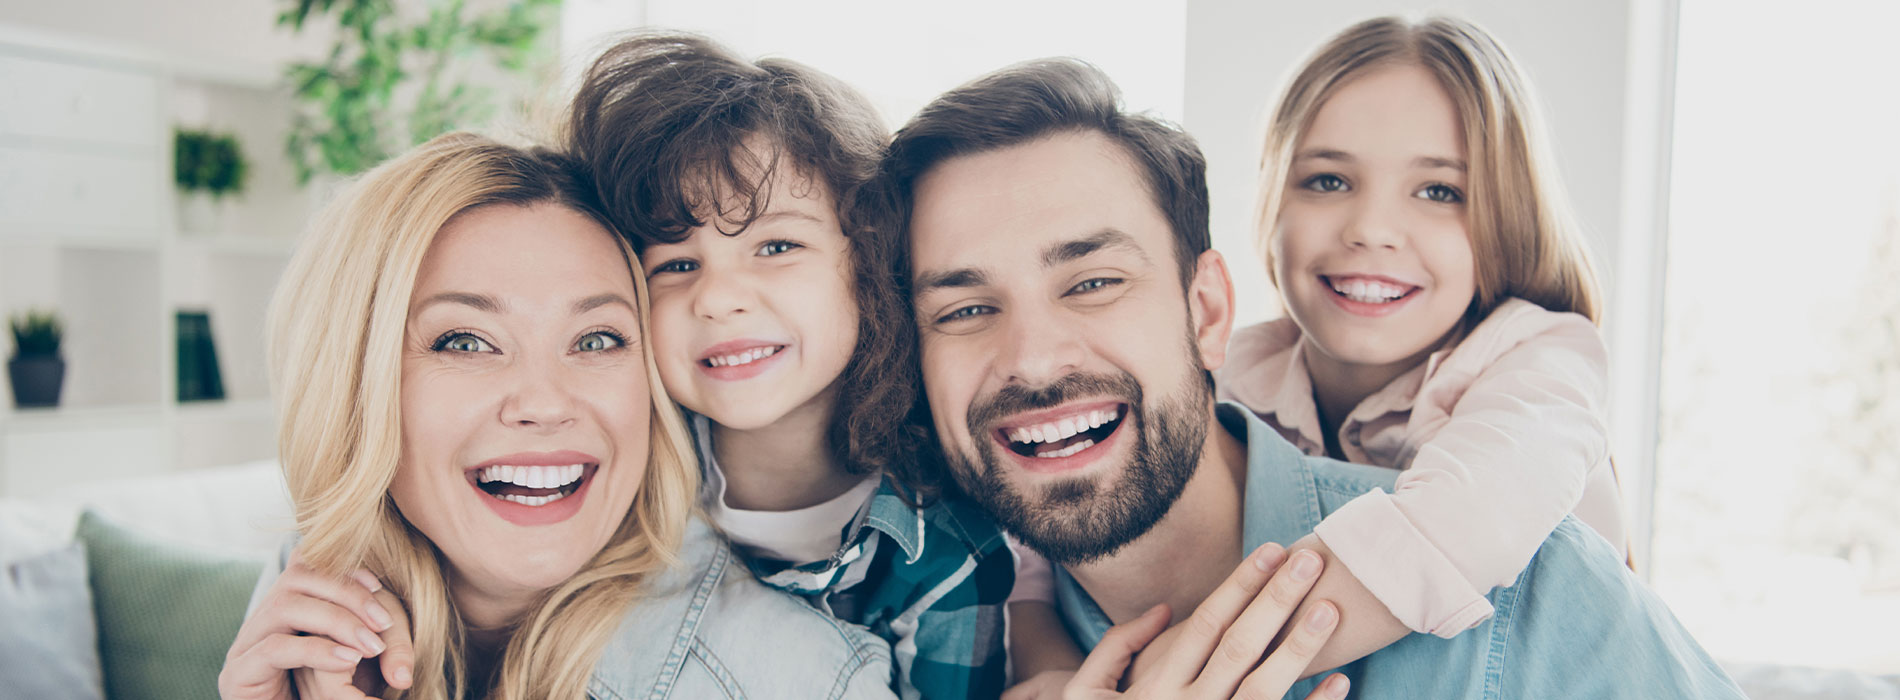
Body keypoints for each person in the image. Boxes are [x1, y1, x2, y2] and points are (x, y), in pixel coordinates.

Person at [881, 55, 1747, 698]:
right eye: (962, 310)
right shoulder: (924, 634)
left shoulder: (1543, 586)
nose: (1033, 361)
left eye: (1094, 283)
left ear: (1206, 313)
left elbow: (1477, 515)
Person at [218, 132, 895, 700]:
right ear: (352, 380)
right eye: (466, 342)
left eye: (597, 340)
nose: (544, 402)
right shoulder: (312, 596)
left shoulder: (809, 681)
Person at [562, 32, 1014, 699]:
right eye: (676, 265)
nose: (716, 298)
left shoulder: (944, 556)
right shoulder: (605, 477)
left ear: (867, 261)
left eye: (776, 245)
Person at [1216, 14, 1628, 669]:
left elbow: (1469, 517)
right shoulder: (1235, 371)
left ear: (1506, 219)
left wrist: (1190, 672)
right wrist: (1045, 649)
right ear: (1273, 204)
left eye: (1439, 191)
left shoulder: (1543, 358)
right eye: (1328, 180)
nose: (1372, 228)